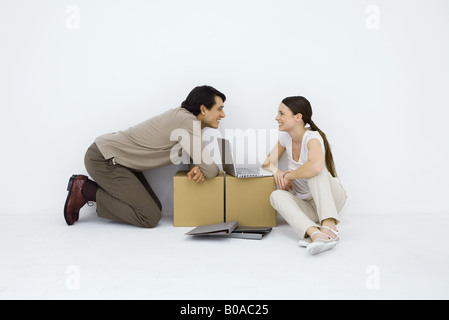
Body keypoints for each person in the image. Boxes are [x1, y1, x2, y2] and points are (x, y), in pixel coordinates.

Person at [64, 85, 226, 227]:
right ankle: (84, 190)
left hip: (121, 162)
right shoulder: (187, 121)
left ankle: (88, 191)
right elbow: (210, 170)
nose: (223, 115)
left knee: (155, 208)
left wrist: (197, 168)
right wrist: (203, 168)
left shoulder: (188, 122)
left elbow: (196, 159)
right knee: (149, 216)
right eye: (219, 109)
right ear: (203, 109)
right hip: (103, 158)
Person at [263, 96, 347, 255]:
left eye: (281, 114)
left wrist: (289, 176)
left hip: (332, 200)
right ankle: (315, 233)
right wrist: (278, 172)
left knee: (316, 171)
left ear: (298, 117)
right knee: (276, 195)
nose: (277, 118)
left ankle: (330, 228)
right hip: (309, 205)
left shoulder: (312, 137)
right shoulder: (285, 137)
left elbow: (315, 166)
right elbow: (267, 162)